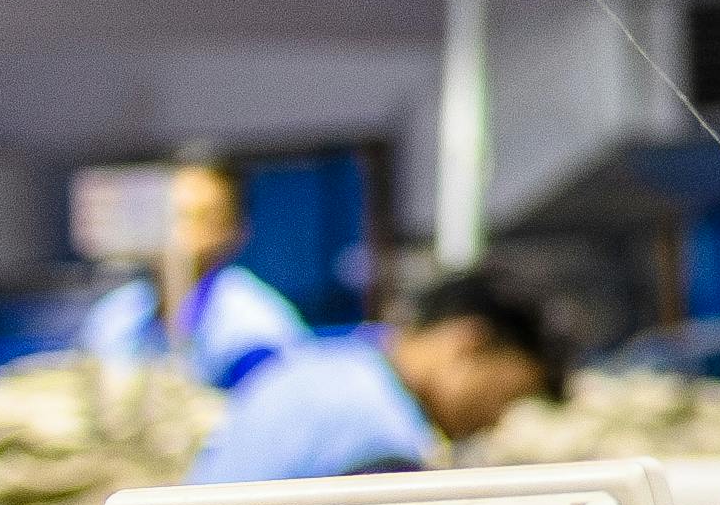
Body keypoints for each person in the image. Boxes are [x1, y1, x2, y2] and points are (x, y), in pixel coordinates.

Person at [192, 265, 569, 482]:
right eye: (506, 397)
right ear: (467, 344)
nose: (494, 420)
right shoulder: (385, 434)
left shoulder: (327, 366)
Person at [75, 151, 311, 390]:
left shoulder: (252, 330)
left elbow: (265, 418)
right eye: (166, 213)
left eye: (198, 218)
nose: (176, 233)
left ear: (234, 231)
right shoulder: (112, 317)